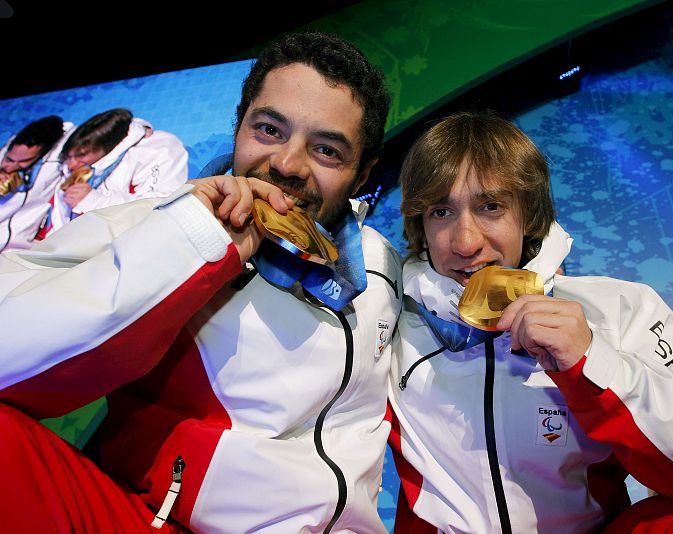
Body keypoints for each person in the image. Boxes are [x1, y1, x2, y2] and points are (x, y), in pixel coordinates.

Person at [0, 31, 401, 533]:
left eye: (325, 149)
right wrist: (192, 241)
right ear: (238, 124)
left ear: (361, 175)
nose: (286, 164)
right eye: (269, 129)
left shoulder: (383, 266)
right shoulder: (154, 223)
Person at [387, 111, 673, 533]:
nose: (465, 242)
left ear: (529, 215)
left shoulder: (620, 310)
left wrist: (593, 362)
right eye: (441, 211)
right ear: (420, 226)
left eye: (491, 206)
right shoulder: (389, 324)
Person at [43, 107, 189, 235]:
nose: (71, 164)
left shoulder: (160, 149)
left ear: (108, 147)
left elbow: (163, 207)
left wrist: (95, 201)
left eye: (81, 155)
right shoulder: (80, 153)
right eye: (68, 157)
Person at [0, 115, 74, 252]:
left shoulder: (51, 165)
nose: (10, 167)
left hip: (16, 249)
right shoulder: (6, 154)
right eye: (9, 160)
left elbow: (69, 130)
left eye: (23, 162)